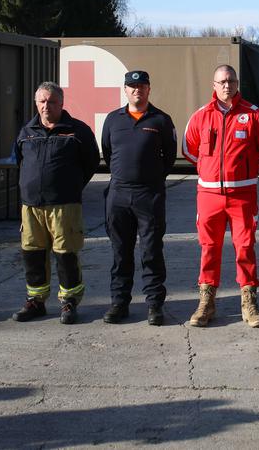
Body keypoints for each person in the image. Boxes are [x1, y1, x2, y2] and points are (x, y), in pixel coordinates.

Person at [182, 65, 259, 328]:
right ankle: (206, 302)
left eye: (231, 81)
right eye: (222, 81)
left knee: (245, 248)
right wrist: (208, 172)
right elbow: (189, 150)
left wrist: (247, 171)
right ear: (213, 85)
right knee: (208, 249)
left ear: (237, 84)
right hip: (209, 195)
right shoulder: (201, 116)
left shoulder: (254, 115)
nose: (227, 85)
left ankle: (249, 302)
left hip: (243, 195)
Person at [12, 82, 99, 325]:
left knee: (66, 254)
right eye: (41, 101)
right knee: (33, 254)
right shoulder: (26, 131)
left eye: (51, 101)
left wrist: (70, 186)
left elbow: (91, 163)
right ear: (35, 103)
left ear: (61, 103)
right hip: (31, 207)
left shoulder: (77, 131)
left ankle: (69, 301)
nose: (46, 106)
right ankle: (36, 301)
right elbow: (19, 160)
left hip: (64, 205)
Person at [100, 70, 177, 326]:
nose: (137, 90)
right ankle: (119, 303)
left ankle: (155, 305)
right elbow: (108, 151)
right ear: (125, 90)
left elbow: (169, 158)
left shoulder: (161, 120)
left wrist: (150, 179)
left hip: (149, 195)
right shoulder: (113, 120)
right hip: (119, 194)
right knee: (120, 251)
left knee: (151, 251)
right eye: (132, 86)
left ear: (149, 89)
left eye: (141, 86)